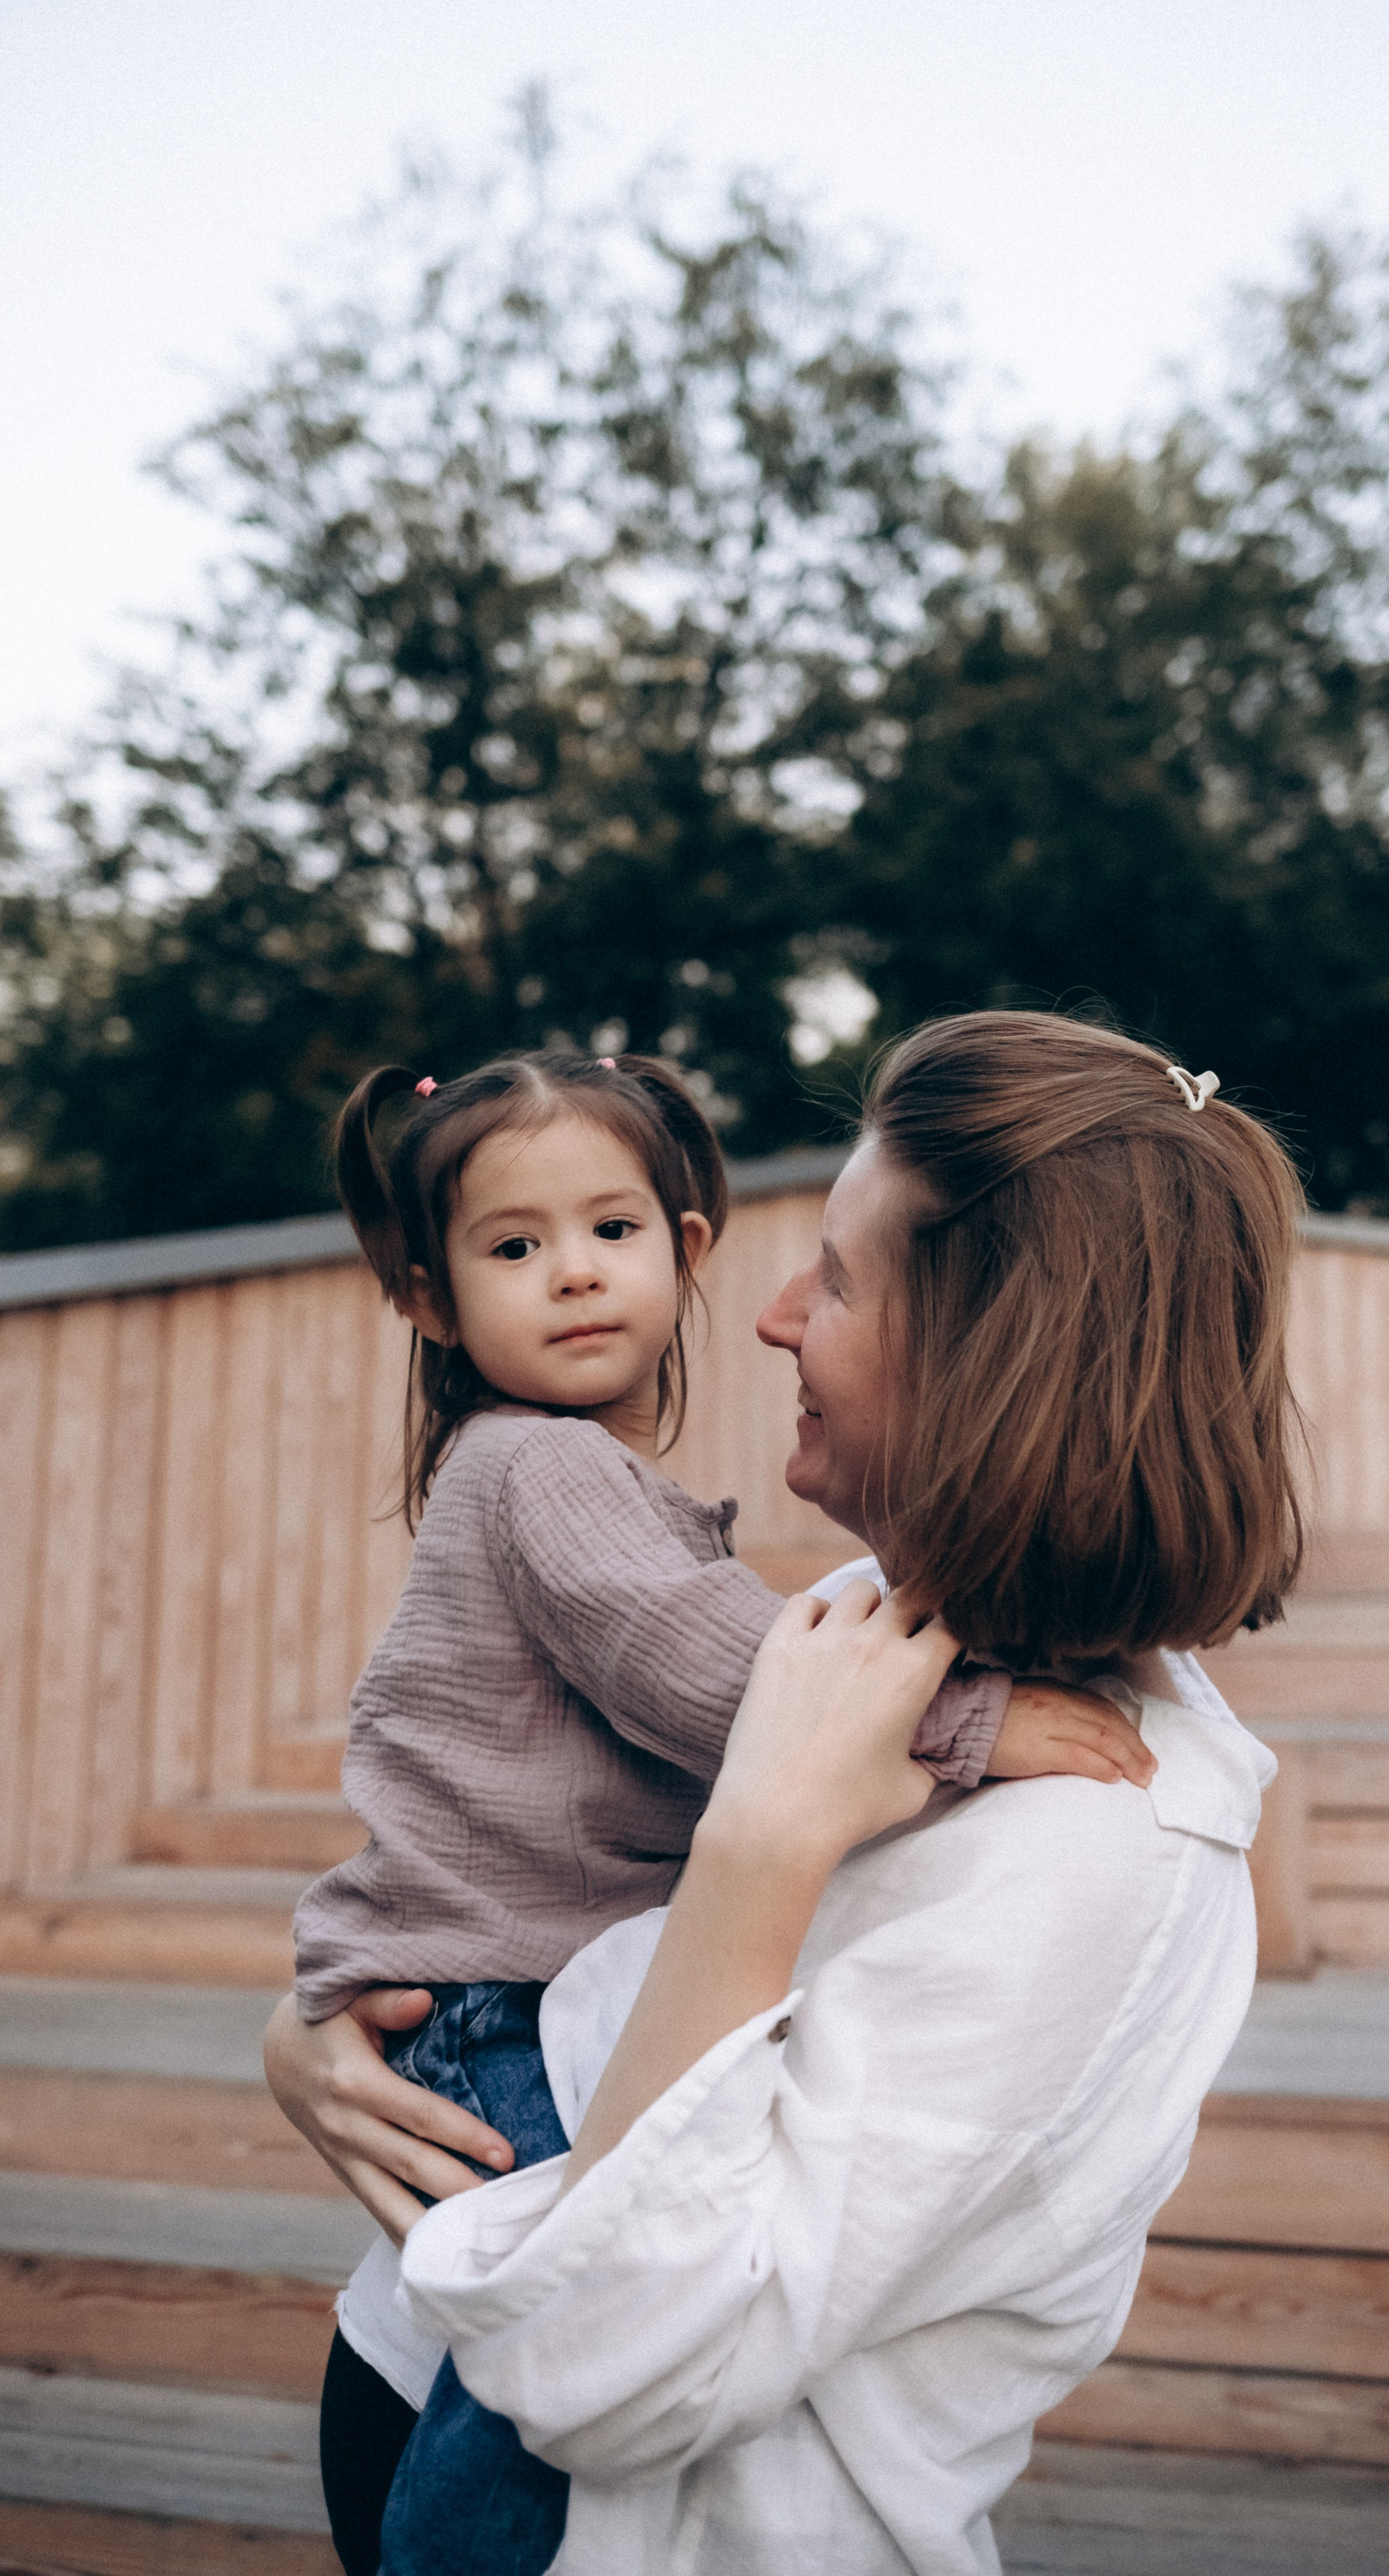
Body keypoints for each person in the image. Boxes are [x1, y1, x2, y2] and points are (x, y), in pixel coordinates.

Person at [292, 1044, 1161, 2576]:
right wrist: (974, 1721)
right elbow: (705, 1673)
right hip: (491, 2009)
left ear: (682, 1248)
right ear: (428, 1301)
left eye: (610, 1232)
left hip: (495, 1995)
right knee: (560, 2314)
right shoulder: (542, 1470)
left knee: (544, 2307)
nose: (571, 1276)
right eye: (513, 1248)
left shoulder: (572, 1483)